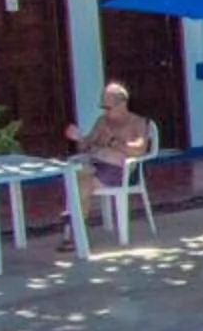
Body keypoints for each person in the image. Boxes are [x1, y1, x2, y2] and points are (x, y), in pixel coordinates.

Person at [60, 83, 150, 249]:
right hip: (97, 165)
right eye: (103, 107)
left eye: (108, 108)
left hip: (121, 170)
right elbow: (85, 146)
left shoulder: (137, 122)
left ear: (122, 104)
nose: (105, 112)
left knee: (82, 185)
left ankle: (73, 227)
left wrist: (113, 142)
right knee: (76, 176)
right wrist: (79, 138)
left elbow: (139, 149)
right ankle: (75, 226)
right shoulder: (102, 121)